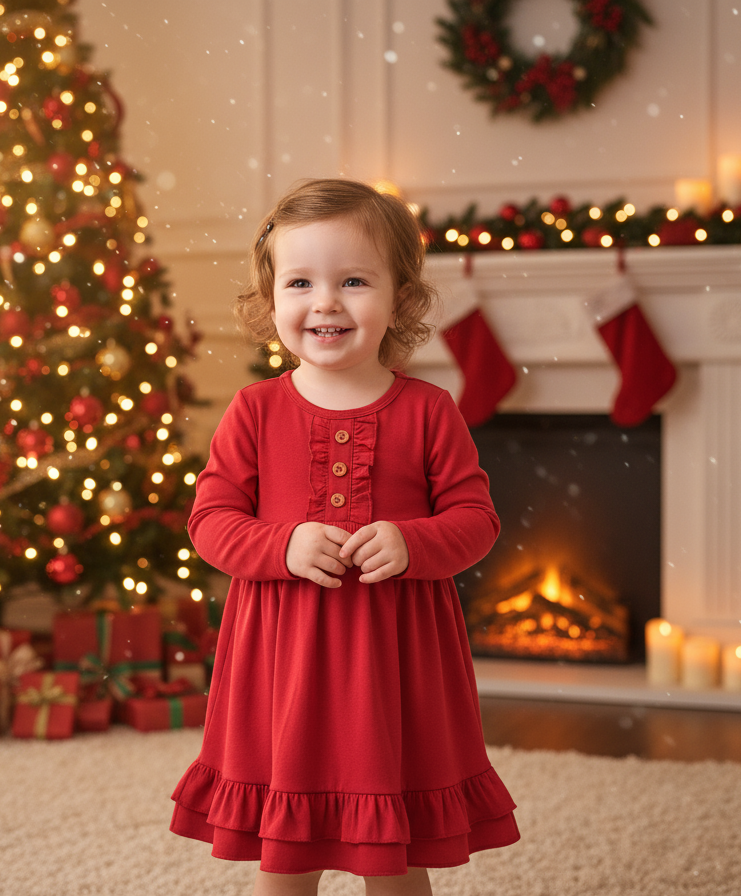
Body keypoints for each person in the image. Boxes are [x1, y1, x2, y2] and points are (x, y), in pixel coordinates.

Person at [170, 178, 519, 896]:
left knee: (392, 846)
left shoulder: (429, 411)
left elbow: (477, 520)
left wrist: (414, 542)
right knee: (286, 849)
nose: (325, 301)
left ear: (401, 300)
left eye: (353, 280)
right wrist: (281, 545)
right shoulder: (254, 411)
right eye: (300, 282)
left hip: (395, 664)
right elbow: (210, 521)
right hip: (282, 665)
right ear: (272, 304)